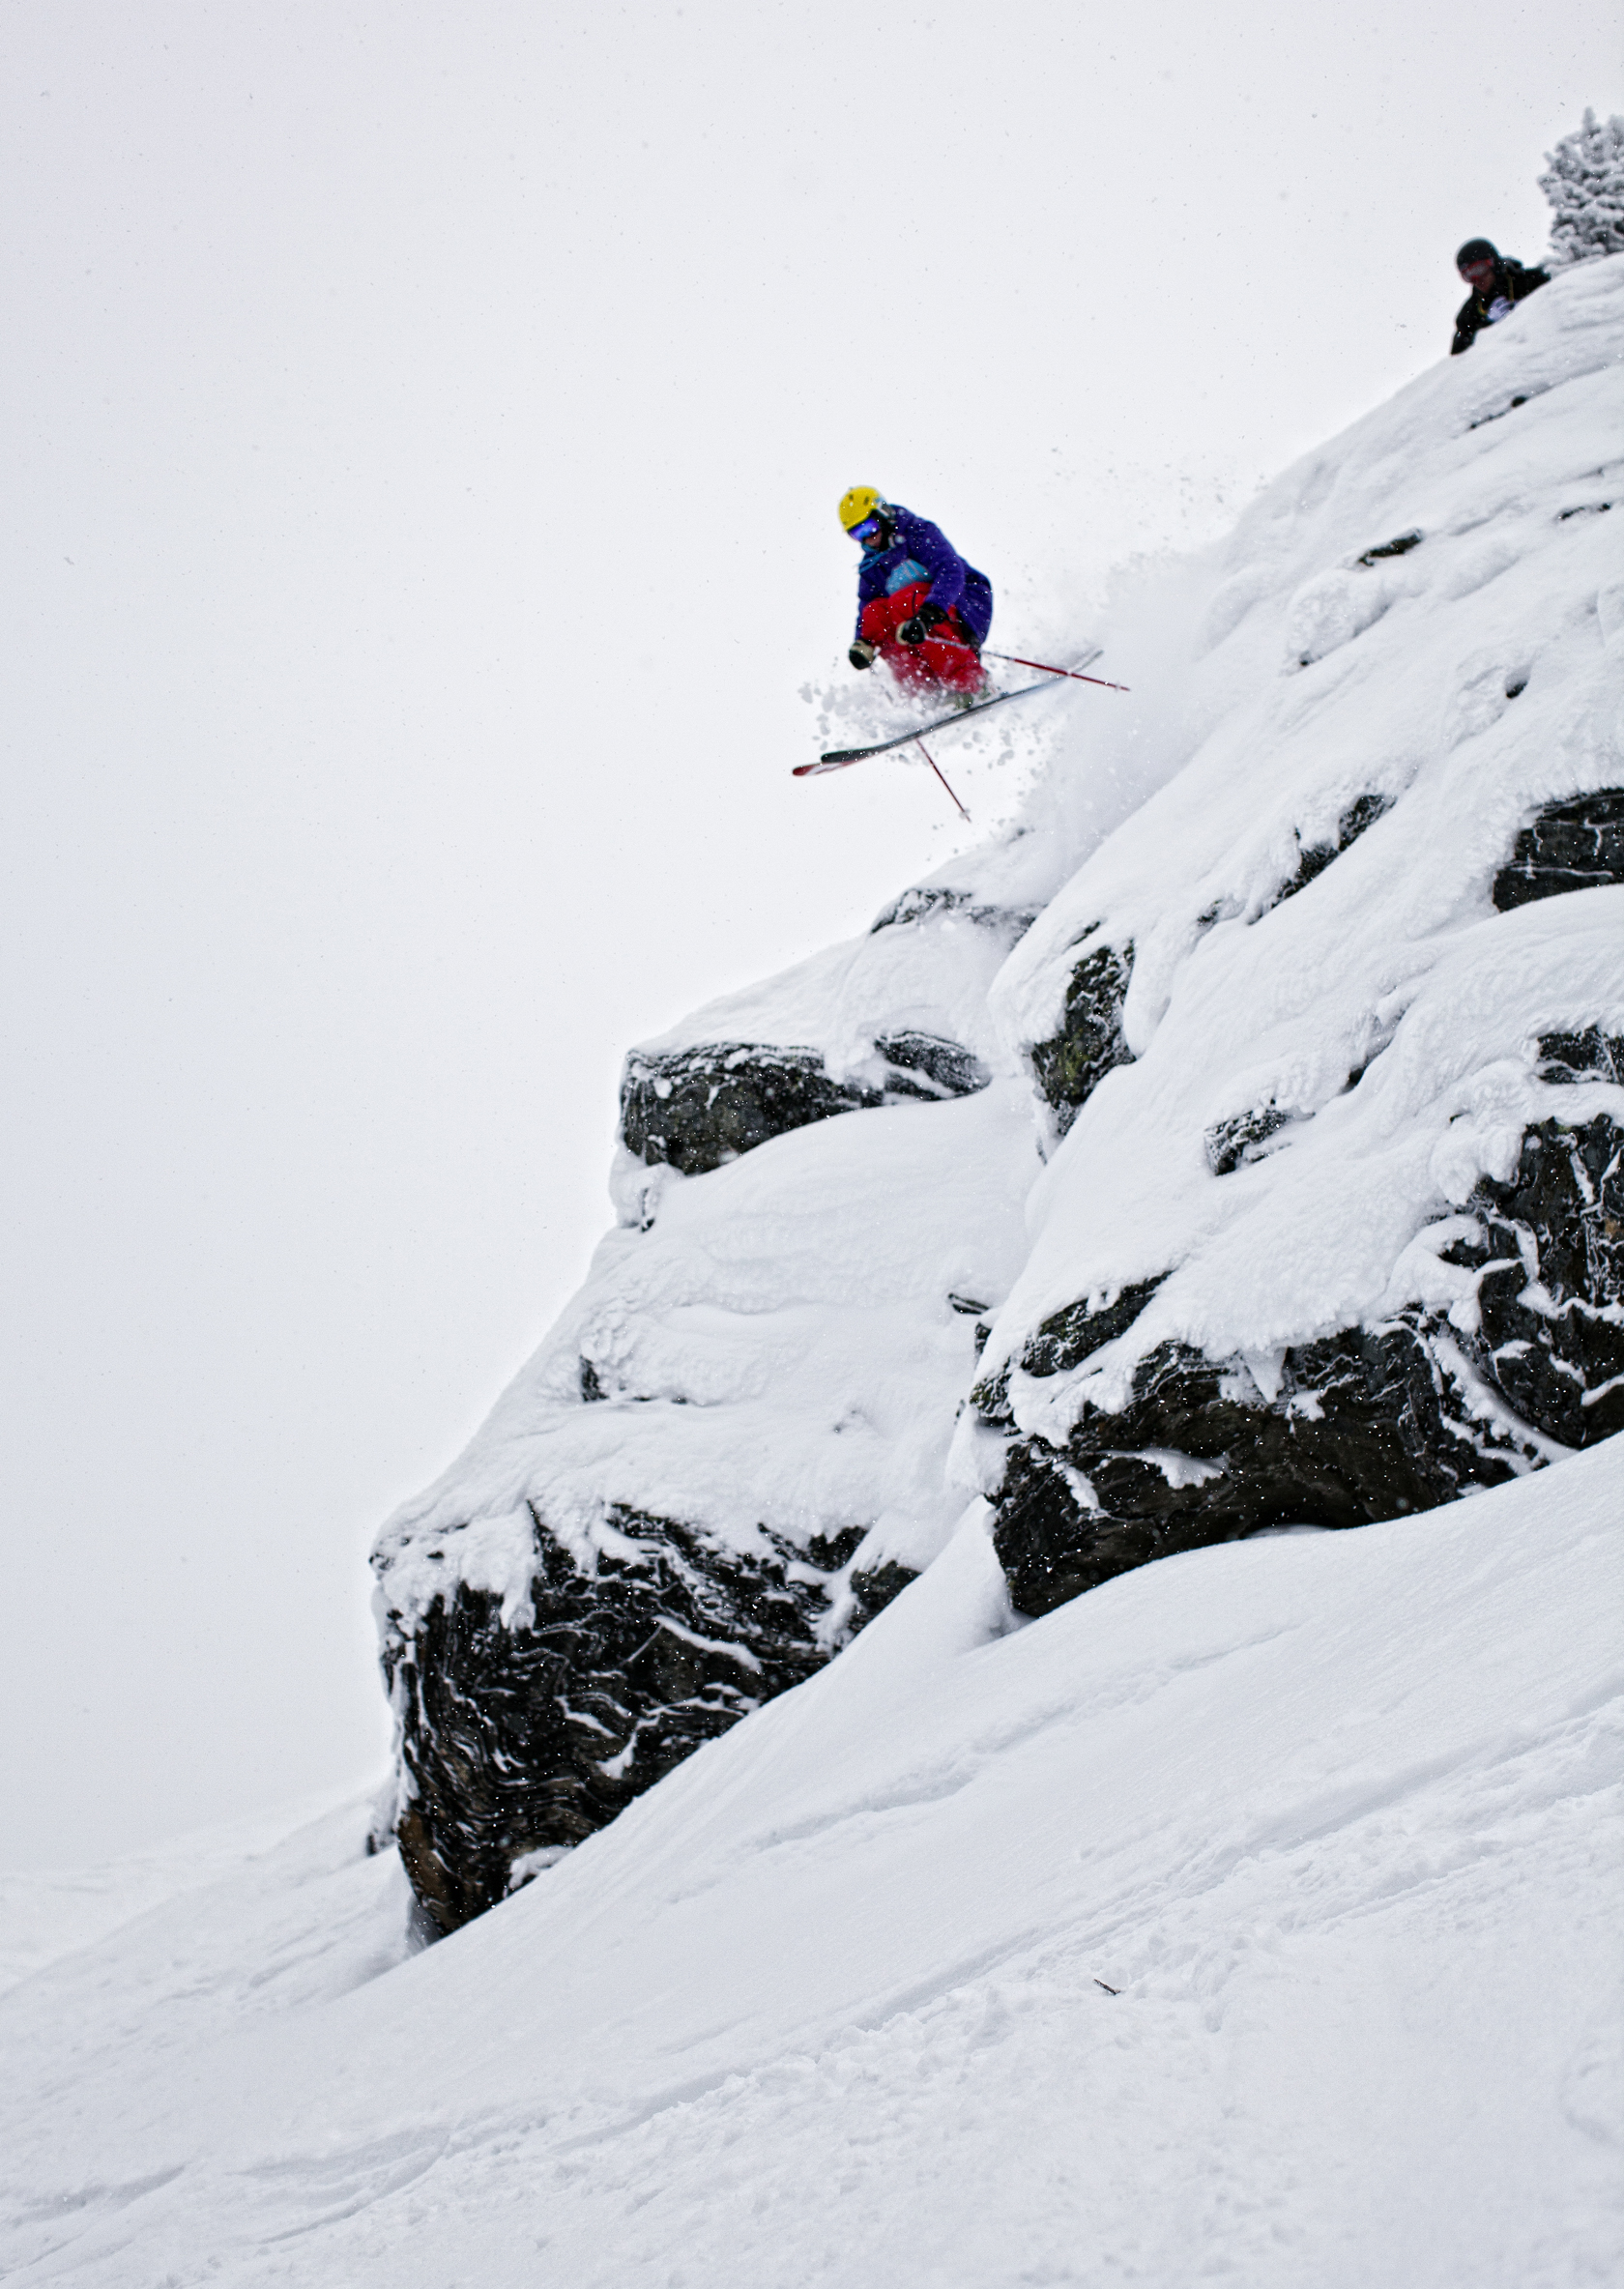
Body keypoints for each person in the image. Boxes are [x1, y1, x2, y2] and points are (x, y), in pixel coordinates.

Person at [838, 488, 994, 695]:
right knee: (876, 615)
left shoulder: (917, 532)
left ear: (883, 514)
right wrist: (864, 642)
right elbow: (867, 605)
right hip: (916, 614)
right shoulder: (872, 566)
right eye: (857, 533)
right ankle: (926, 693)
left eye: (869, 527)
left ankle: (970, 683)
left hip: (966, 603)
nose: (868, 538)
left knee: (903, 602)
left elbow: (950, 571)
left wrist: (929, 613)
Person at [1450, 239, 1549, 357]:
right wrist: (1487, 327)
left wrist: (1522, 310)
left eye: (1479, 269)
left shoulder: (1531, 280)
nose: (1477, 279)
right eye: (1468, 275)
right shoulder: (1469, 314)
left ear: (1492, 262)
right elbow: (1458, 361)